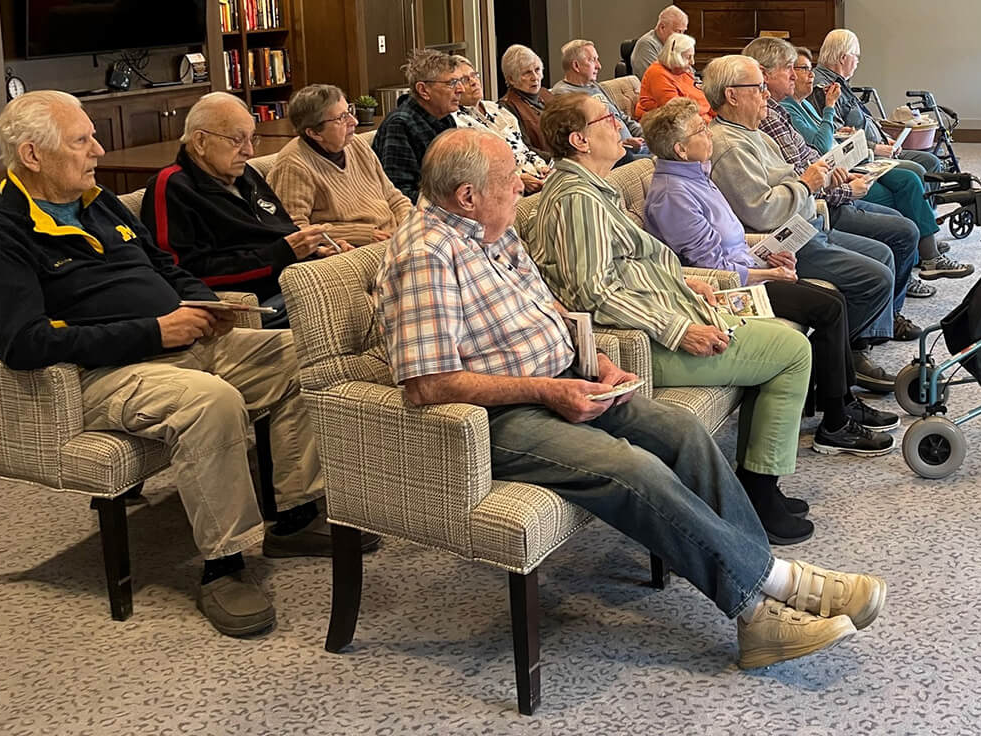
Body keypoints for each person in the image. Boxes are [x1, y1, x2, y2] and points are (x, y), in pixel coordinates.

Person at [378, 127, 883, 670]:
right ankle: (769, 593)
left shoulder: (492, 231)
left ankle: (760, 593)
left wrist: (592, 360)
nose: (524, 187)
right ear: (467, 196)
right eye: (509, 181)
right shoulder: (426, 255)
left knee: (682, 433)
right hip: (493, 418)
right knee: (630, 467)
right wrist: (548, 389)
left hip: (567, 380)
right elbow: (427, 383)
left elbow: (549, 310)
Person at [0, 91, 375, 639]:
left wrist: (199, 304)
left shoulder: (99, 201)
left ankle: (296, 515)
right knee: (210, 402)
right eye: (82, 140)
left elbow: (166, 265)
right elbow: (24, 342)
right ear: (32, 155)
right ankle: (225, 564)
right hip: (102, 372)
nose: (98, 148)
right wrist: (152, 330)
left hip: (181, 339)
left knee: (305, 354)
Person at [524, 94, 817, 543]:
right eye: (606, 117)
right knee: (793, 351)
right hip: (641, 344)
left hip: (668, 313)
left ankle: (757, 484)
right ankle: (760, 490)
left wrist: (684, 283)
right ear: (579, 139)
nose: (618, 122)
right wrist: (679, 329)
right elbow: (593, 292)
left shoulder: (594, 188)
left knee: (783, 333)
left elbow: (628, 266)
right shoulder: (577, 200)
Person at [640, 98, 896, 456]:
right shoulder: (673, 195)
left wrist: (765, 254)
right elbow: (711, 266)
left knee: (831, 300)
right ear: (681, 149)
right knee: (829, 307)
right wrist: (768, 273)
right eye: (700, 130)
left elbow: (730, 241)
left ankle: (841, 404)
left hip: (744, 271)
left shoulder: (696, 173)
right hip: (720, 292)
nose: (707, 132)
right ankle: (835, 423)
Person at [702, 55, 904, 391]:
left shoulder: (754, 134)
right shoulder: (729, 145)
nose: (766, 95)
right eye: (759, 88)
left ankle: (853, 351)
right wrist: (807, 185)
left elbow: (794, 179)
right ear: (732, 95)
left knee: (883, 254)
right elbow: (761, 212)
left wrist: (817, 184)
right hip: (783, 242)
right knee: (877, 277)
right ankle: (830, 365)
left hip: (808, 224)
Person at [750, 37, 972, 285]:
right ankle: (924, 252)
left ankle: (924, 241)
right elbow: (819, 153)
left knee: (924, 166)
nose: (802, 75)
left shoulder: (788, 107)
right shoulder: (792, 106)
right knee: (909, 182)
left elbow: (814, 157)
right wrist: (833, 112)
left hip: (843, 170)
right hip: (834, 188)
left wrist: (864, 151)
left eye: (801, 68)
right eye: (795, 68)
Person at [144, 93, 351, 326]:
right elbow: (182, 271)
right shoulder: (172, 186)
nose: (249, 151)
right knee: (345, 300)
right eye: (237, 140)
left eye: (253, 138)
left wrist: (316, 250)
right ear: (200, 142)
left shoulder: (246, 175)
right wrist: (283, 253)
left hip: (294, 278)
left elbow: (281, 232)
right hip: (260, 298)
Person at [267, 84, 411, 247]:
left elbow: (393, 196)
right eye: (341, 118)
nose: (354, 121)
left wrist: (411, 222)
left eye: (349, 111)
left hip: (395, 237)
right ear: (314, 133)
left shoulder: (356, 144)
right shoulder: (294, 165)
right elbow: (296, 230)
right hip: (358, 248)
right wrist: (360, 235)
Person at [812, 28, 942, 175]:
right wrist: (876, 148)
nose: (857, 62)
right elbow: (837, 137)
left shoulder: (840, 83)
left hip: (878, 149)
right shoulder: (824, 88)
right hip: (863, 157)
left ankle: (924, 198)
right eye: (856, 56)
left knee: (931, 162)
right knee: (917, 170)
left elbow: (862, 120)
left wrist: (886, 139)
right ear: (843, 58)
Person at [374, 48, 467, 202]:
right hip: (425, 214)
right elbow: (399, 192)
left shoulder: (445, 119)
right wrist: (452, 203)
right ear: (423, 90)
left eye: (460, 81)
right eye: (452, 83)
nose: (461, 89)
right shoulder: (400, 125)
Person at [448, 54, 551, 193]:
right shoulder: (454, 121)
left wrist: (543, 166)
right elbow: (480, 167)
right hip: (507, 189)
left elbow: (524, 148)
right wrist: (518, 178)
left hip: (539, 176)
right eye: (465, 79)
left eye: (475, 75)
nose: (474, 82)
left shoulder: (497, 109)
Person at [550, 38, 648, 163]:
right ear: (576, 66)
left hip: (636, 146)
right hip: (614, 154)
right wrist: (621, 144)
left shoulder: (595, 86)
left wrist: (648, 136)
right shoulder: (564, 94)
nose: (599, 66)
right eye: (593, 60)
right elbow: (587, 135)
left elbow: (622, 118)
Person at [636, 32, 714, 123]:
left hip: (698, 118)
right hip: (663, 124)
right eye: (688, 57)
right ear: (675, 56)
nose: (692, 62)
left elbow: (703, 98)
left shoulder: (682, 71)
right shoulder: (657, 73)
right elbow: (678, 112)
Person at [499, 44, 556, 158]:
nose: (535, 77)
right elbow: (525, 149)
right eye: (527, 73)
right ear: (511, 79)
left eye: (537, 70)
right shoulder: (507, 106)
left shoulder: (545, 94)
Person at [630, 4, 690, 78]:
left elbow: (690, 73)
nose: (681, 36)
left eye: (683, 32)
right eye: (678, 31)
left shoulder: (674, 45)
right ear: (662, 28)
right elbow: (658, 78)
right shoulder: (646, 45)